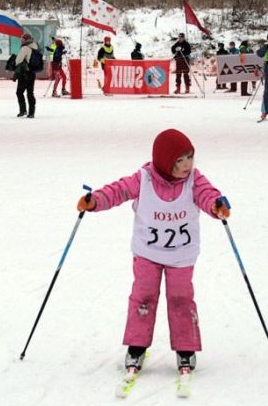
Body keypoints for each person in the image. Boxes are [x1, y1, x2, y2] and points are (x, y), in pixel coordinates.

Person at [76, 128, 227, 375]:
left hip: (181, 255)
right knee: (142, 297)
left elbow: (207, 194)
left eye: (190, 156)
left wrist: (216, 205)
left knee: (181, 299)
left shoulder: (194, 180)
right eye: (180, 160)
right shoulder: (144, 178)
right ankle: (137, 346)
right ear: (165, 162)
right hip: (147, 253)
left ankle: (185, 349)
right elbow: (119, 190)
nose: (187, 164)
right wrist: (95, 201)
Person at [14, 32, 39, 118]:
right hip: (32, 73)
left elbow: (18, 60)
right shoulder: (35, 47)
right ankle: (32, 112)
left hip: (24, 73)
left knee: (19, 92)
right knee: (30, 93)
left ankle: (23, 110)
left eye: (22, 38)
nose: (21, 40)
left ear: (25, 39)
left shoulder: (25, 48)